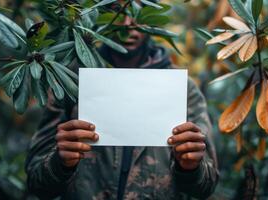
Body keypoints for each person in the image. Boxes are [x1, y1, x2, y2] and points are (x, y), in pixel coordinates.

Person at [25, 2, 219, 199]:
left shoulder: (183, 90)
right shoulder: (71, 80)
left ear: (153, 17)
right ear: (100, 14)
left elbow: (207, 186)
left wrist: (191, 167)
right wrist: (60, 162)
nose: (128, 23)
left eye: (139, 11)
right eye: (117, 11)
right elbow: (36, 181)